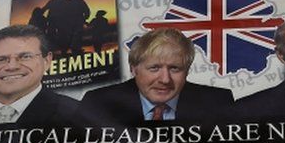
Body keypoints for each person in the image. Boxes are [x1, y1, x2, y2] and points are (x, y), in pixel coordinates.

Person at [80, 28, 234, 123]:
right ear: (134, 69)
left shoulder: (218, 103)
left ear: (187, 71)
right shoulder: (98, 103)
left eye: (175, 68)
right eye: (154, 68)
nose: (165, 79)